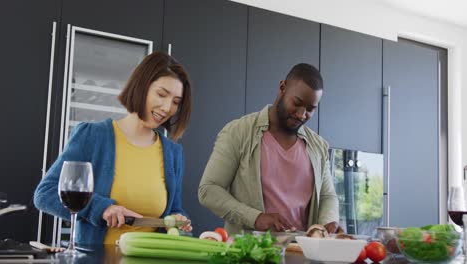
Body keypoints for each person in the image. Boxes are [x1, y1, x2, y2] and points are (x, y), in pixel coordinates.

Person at [34, 52, 192, 245]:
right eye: (161, 94)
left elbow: (174, 209)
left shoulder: (173, 154)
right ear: (141, 86)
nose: (167, 108)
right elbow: (45, 194)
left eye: (176, 102)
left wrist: (179, 219)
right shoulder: (92, 136)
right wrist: (101, 209)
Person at [198, 63, 342, 235]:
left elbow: (327, 196)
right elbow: (208, 189)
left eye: (310, 109)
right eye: (297, 103)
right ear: (282, 88)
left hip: (302, 253)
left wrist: (329, 222)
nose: (301, 114)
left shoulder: (318, 146)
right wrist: (256, 217)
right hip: (249, 252)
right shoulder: (238, 132)